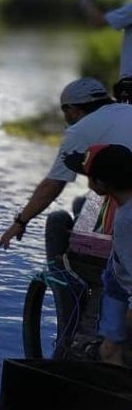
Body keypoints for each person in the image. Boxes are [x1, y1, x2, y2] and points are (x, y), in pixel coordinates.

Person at [0, 77, 132, 252]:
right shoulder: (126, 109)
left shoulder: (79, 130)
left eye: (65, 110)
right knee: (80, 203)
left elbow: (52, 185)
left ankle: (61, 274)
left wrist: (20, 221)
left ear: (73, 110)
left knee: (57, 219)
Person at [63, 144, 132, 366]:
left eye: (89, 179)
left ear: (101, 183)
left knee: (111, 352)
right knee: (110, 348)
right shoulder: (124, 207)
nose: (88, 184)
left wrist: (124, 325)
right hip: (117, 285)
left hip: (124, 291)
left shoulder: (126, 220)